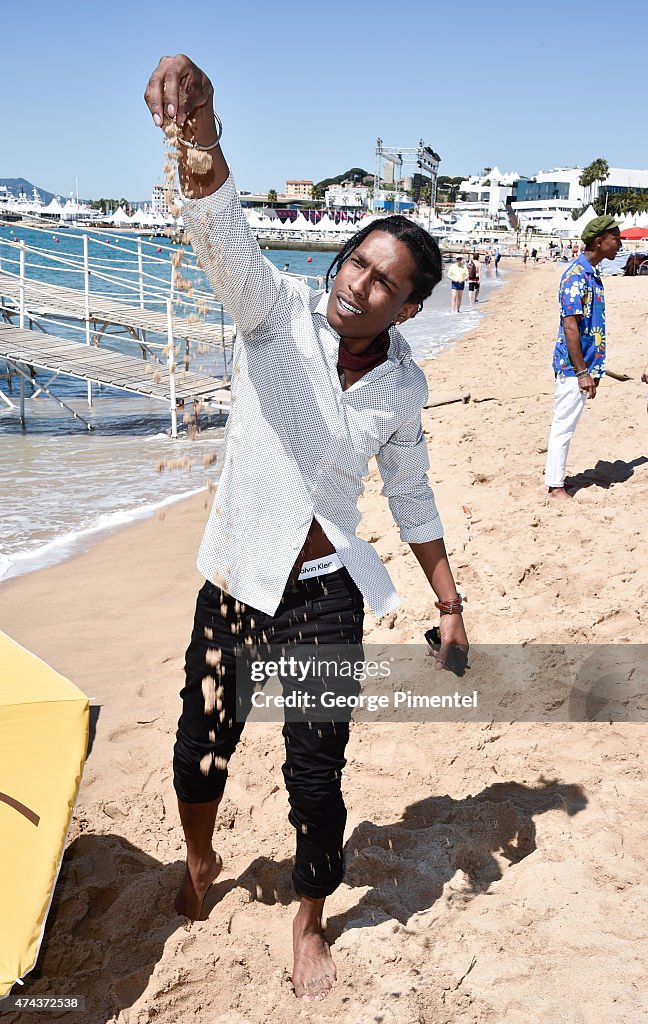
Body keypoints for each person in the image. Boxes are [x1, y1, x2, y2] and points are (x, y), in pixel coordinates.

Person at [144, 55, 468, 1002]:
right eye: (357, 262)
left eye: (385, 282)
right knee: (201, 744)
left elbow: (412, 497)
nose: (360, 285)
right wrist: (201, 140)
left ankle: (309, 917)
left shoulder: (404, 384)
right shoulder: (274, 318)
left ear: (409, 309)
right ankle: (201, 861)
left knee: (316, 774)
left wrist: (449, 604)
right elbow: (225, 239)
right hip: (239, 575)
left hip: (327, 593)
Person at [544, 215, 621, 500]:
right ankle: (554, 487)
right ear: (599, 241)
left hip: (585, 364)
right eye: (616, 238)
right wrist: (581, 372)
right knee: (563, 426)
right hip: (572, 367)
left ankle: (556, 481)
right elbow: (570, 326)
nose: (620, 243)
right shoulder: (576, 275)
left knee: (568, 424)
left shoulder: (592, 273)